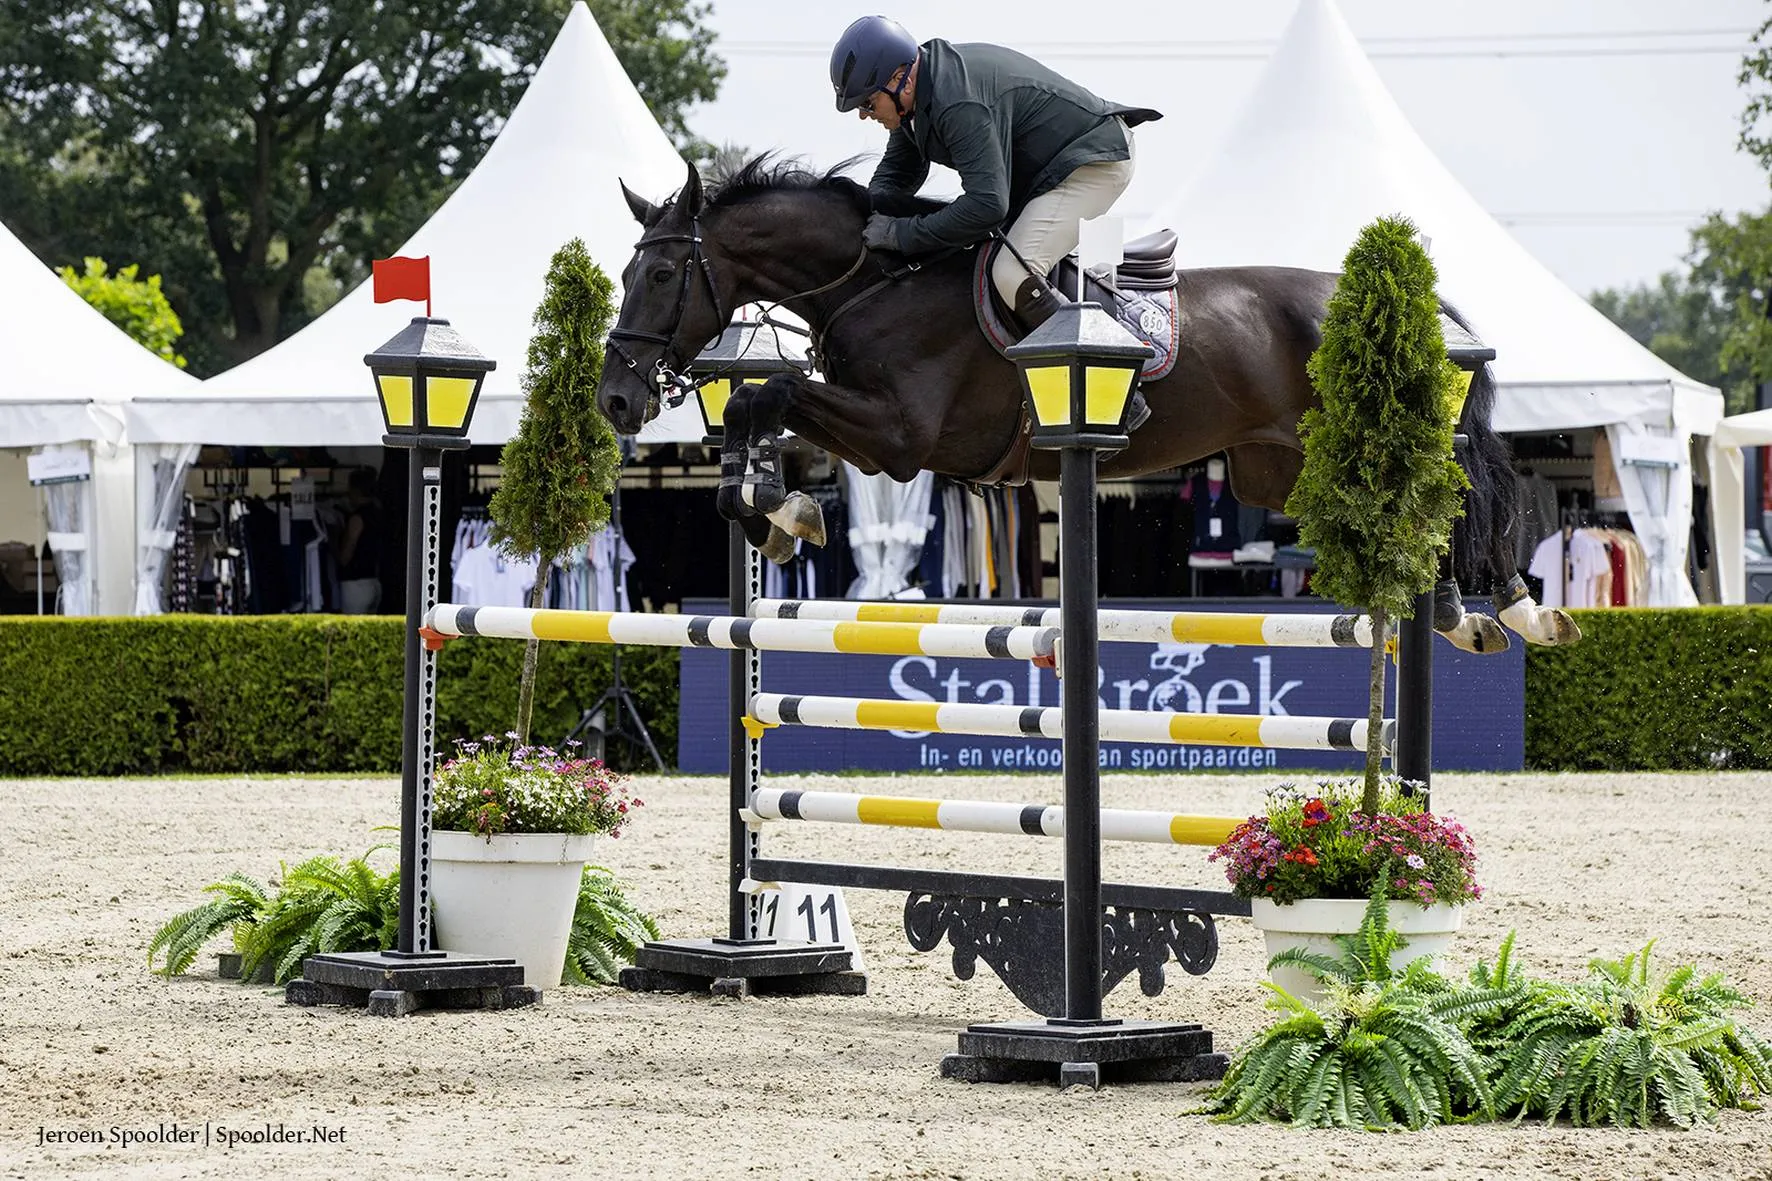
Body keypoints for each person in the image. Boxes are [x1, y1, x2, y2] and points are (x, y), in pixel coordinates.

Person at [831, 16, 1160, 337]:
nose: (864, 115)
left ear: (899, 78)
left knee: (1011, 273)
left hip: (1091, 164)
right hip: (1047, 172)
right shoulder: (918, 96)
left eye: (868, 104)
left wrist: (902, 235)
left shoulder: (957, 102)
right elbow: (899, 172)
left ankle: (1112, 370)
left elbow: (987, 207)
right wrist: (863, 216)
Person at [336, 467, 382, 614]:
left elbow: (345, 555)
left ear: (355, 490)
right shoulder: (378, 513)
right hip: (373, 581)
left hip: (355, 584)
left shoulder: (357, 518)